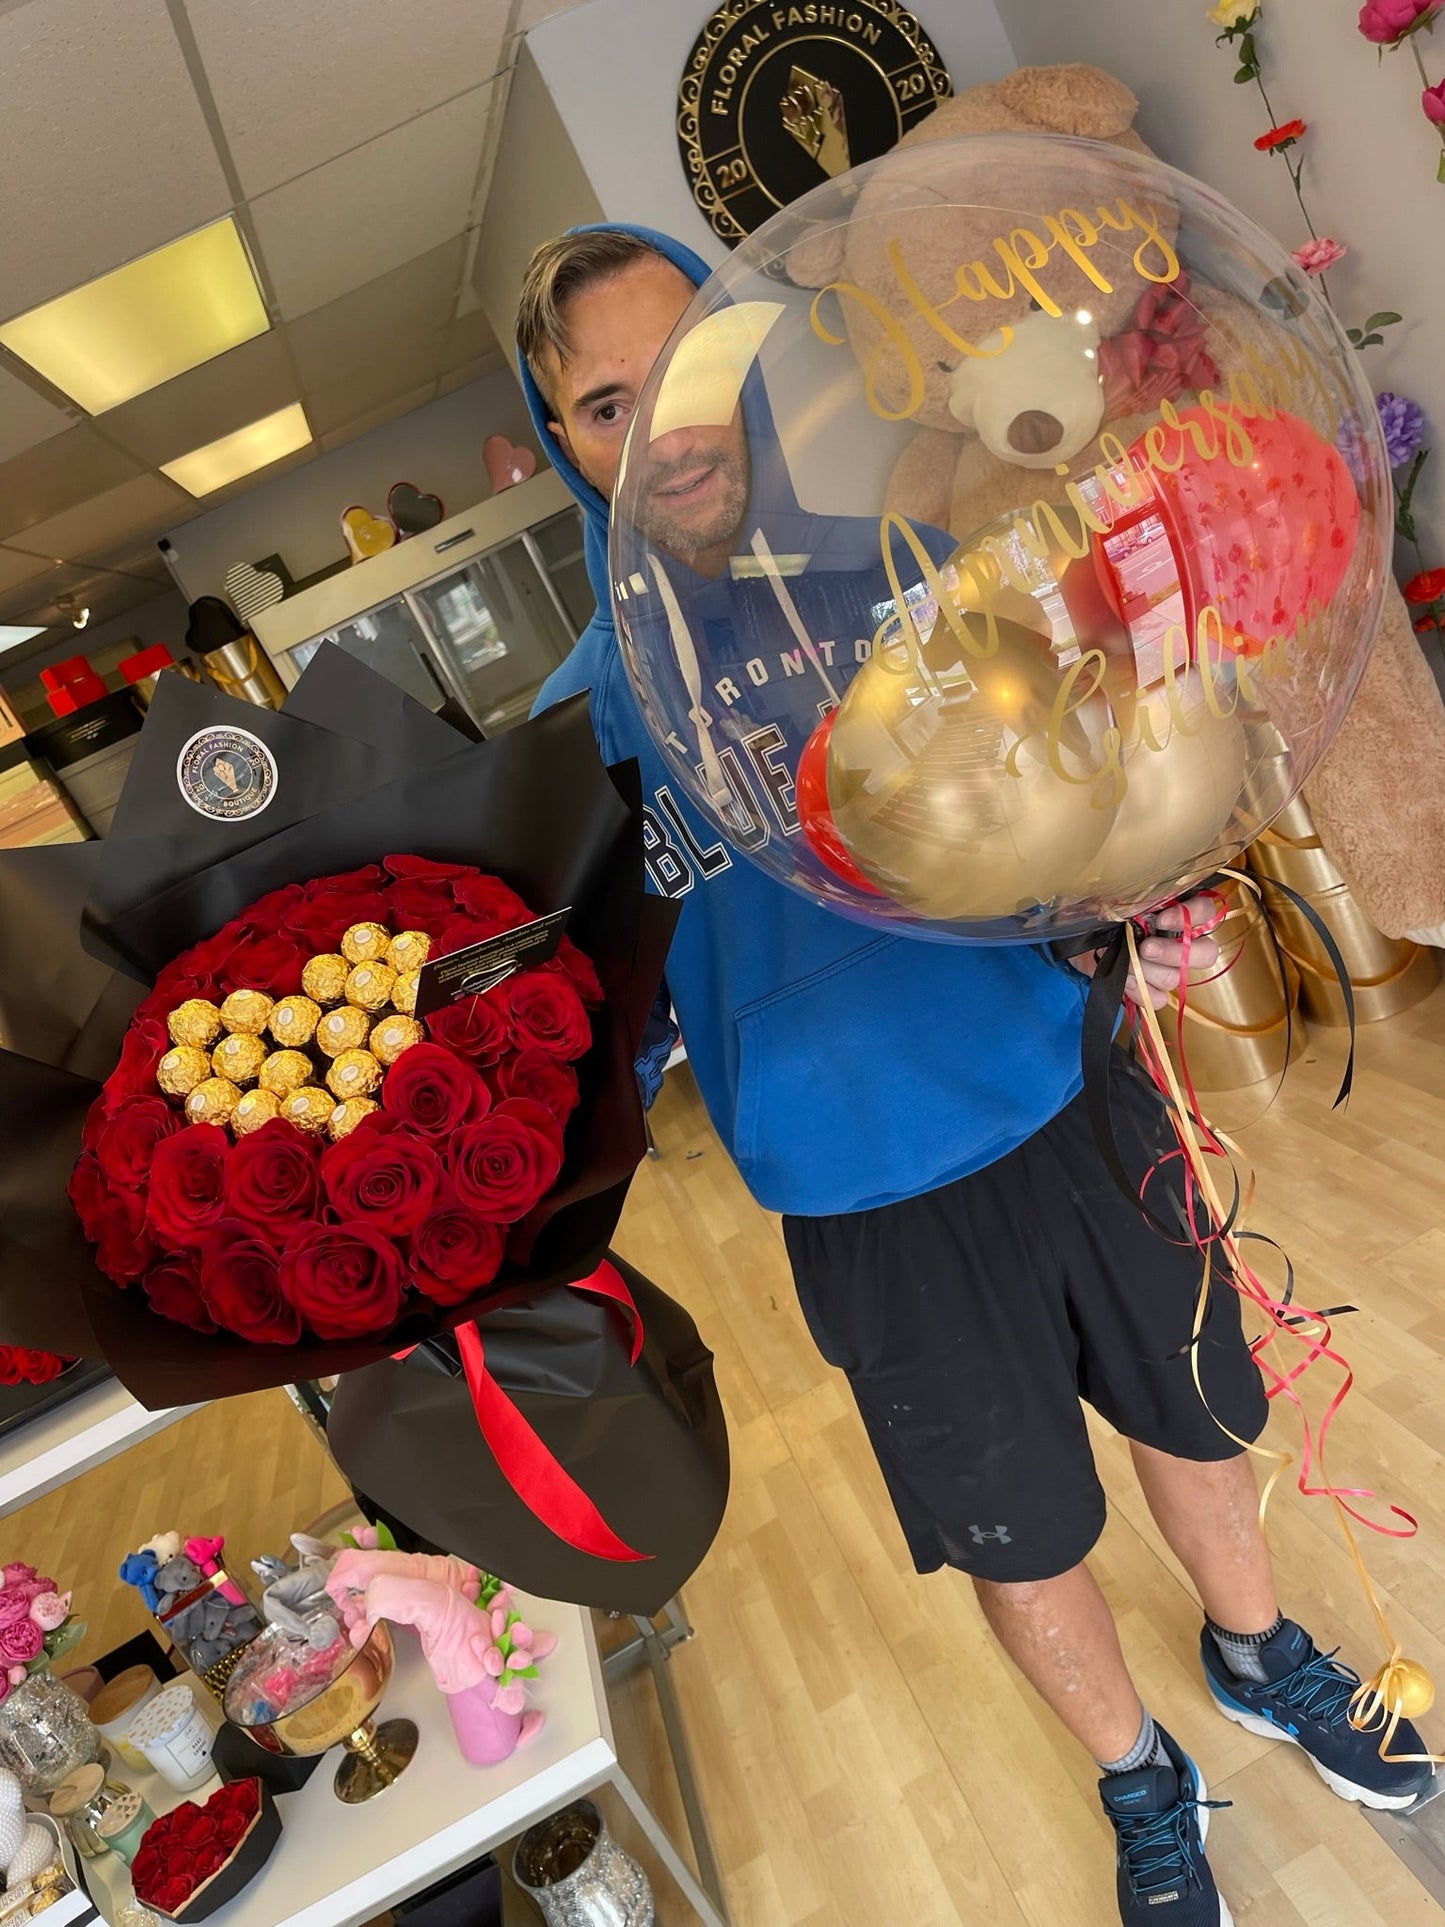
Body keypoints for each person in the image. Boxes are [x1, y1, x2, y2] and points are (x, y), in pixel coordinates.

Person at [515, 225, 1432, 1926]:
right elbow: (597, 1023)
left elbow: (1091, 799)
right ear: (558, 443)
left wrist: (1134, 909)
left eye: (690, 369)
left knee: (1199, 1408)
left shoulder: (921, 575)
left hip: (1072, 1085)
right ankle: (1139, 1782)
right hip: (862, 1194)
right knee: (1016, 1530)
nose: (665, 430)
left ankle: (1259, 1653)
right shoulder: (580, 733)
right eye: (606, 401)